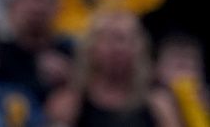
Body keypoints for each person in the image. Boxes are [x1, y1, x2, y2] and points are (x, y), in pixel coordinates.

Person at [45, 10, 182, 127]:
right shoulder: (68, 105)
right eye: (109, 39)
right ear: (92, 48)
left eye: (124, 39)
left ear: (140, 48)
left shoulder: (159, 105)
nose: (117, 48)